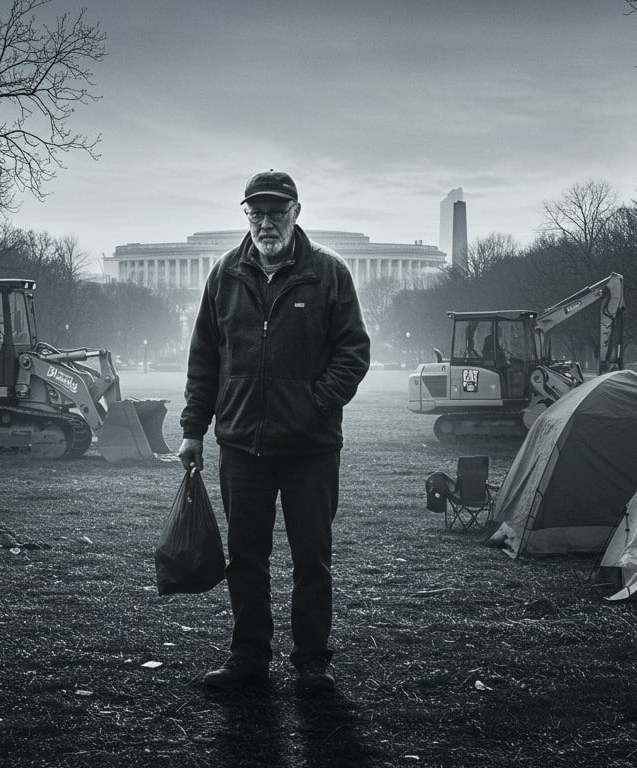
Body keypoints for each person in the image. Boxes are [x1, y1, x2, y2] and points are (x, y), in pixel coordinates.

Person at [178, 170, 371, 697]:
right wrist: (194, 429)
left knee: (313, 559)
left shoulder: (328, 274)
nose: (266, 223)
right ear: (246, 216)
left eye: (276, 213)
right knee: (245, 557)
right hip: (242, 446)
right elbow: (204, 361)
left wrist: (316, 402)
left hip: (310, 448)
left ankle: (312, 661)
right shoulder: (224, 276)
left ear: (296, 213)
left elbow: (353, 351)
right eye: (256, 214)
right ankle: (249, 656)